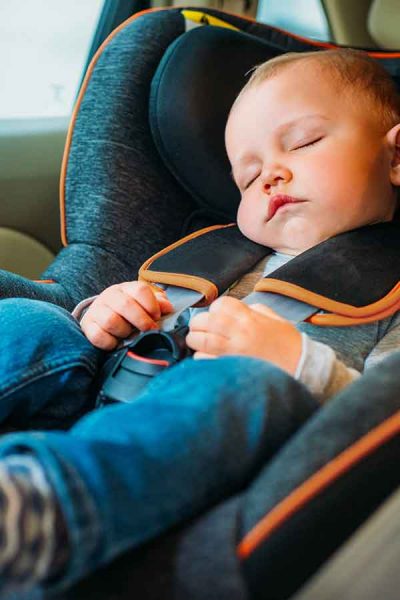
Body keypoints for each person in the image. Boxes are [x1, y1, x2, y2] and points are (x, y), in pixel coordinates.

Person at [0, 47, 399, 595]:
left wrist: (298, 364)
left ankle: (42, 513)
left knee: (244, 383)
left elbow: (384, 420)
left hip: (216, 454)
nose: (270, 176)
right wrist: (103, 315)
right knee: (34, 322)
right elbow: (110, 332)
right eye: (248, 176)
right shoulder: (211, 255)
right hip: (93, 413)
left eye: (304, 142)